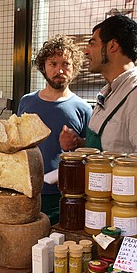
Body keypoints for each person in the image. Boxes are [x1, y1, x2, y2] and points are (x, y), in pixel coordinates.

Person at [16, 34, 93, 225]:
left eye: (66, 64)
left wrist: (77, 143)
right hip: (27, 190)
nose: (60, 70)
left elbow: (92, 153)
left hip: (65, 194)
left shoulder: (83, 108)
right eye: (53, 64)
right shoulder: (27, 102)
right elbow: (17, 144)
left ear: (74, 68)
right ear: (43, 67)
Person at [83, 15, 137, 166]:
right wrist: (78, 143)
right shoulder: (109, 92)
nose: (86, 51)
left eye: (93, 43)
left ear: (112, 45)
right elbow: (110, 146)